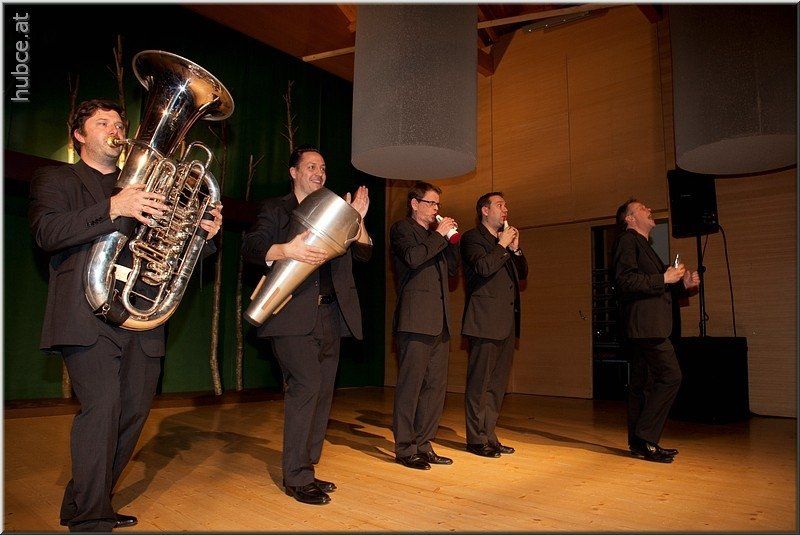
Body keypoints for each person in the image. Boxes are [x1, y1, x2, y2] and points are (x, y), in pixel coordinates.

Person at [28, 99, 223, 531]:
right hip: (86, 312)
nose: (115, 130)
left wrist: (202, 234)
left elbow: (171, 248)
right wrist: (114, 207)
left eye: (119, 124)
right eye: (103, 123)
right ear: (79, 135)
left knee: (132, 414)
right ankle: (91, 519)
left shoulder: (152, 185)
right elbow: (47, 233)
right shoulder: (57, 178)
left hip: (141, 313)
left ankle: (84, 502)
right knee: (102, 409)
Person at [241, 144, 372, 505]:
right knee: (307, 385)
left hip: (331, 316)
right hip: (290, 315)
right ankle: (296, 477)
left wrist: (357, 220)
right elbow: (252, 246)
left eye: (323, 168)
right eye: (311, 166)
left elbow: (364, 253)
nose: (319, 173)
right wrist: (286, 250)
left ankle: (307, 467)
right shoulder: (276, 208)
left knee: (324, 391)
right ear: (294, 172)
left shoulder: (337, 212)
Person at [612, 198, 699, 463]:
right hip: (646, 326)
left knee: (642, 385)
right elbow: (625, 281)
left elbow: (658, 286)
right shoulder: (627, 241)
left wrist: (683, 285)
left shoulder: (644, 246)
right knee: (671, 377)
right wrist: (664, 277)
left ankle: (639, 443)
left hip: (646, 326)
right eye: (642, 208)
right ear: (629, 218)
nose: (649, 210)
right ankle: (646, 438)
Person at [389, 181, 460, 470]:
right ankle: (405, 448)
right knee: (411, 386)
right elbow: (413, 258)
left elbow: (452, 271)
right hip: (415, 320)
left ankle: (424, 443)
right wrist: (440, 236)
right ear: (415, 204)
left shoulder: (435, 236)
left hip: (439, 322)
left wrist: (452, 241)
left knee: (435, 387)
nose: (435, 209)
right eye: (431, 203)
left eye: (438, 204)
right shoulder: (402, 229)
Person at [460, 192, 528, 458]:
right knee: (480, 383)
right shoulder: (472, 238)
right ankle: (476, 439)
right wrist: (502, 245)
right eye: (500, 205)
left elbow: (522, 274)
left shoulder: (505, 242)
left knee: (497, 384)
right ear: (485, 211)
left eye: (506, 205)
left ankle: (489, 435)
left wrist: (515, 250)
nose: (505, 209)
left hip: (506, 322)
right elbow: (483, 268)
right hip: (484, 321)